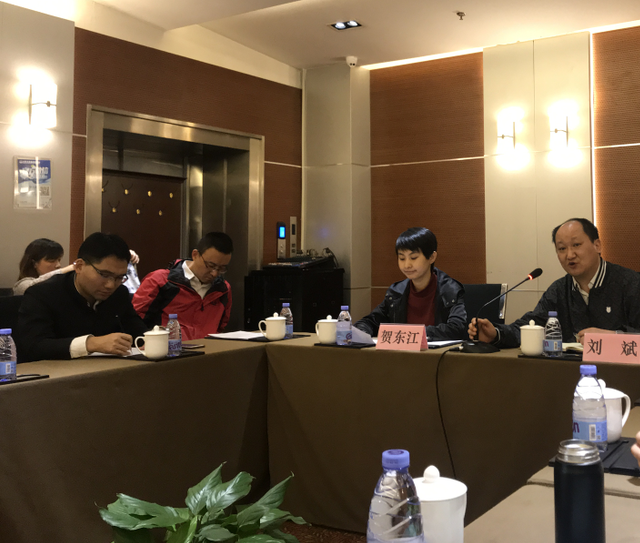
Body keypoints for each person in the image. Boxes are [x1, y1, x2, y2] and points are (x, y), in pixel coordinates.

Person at [469, 218, 640, 347]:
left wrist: (612, 337)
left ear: (597, 246)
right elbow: (531, 326)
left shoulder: (631, 284)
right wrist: (496, 334)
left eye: (576, 245)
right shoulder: (559, 290)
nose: (570, 255)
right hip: (567, 374)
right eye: (562, 248)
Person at [17, 232, 147, 362]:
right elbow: (33, 346)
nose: (111, 285)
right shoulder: (42, 294)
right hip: (56, 372)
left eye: (119, 277)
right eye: (104, 275)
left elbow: (139, 332)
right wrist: (90, 343)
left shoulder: (119, 294)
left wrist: (153, 340)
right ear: (79, 266)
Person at [355, 227, 467, 340]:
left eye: (413, 258)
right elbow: (370, 321)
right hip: (401, 351)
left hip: (437, 351)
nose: (407, 265)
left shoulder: (450, 290)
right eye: (402, 258)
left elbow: (456, 328)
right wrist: (359, 333)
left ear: (432, 257)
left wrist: (412, 333)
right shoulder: (396, 292)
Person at [132, 232, 233, 340]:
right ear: (195, 255)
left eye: (222, 268)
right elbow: (133, 320)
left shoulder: (223, 289)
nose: (215, 273)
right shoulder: (160, 281)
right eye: (210, 265)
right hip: (168, 348)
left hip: (209, 348)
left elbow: (221, 326)